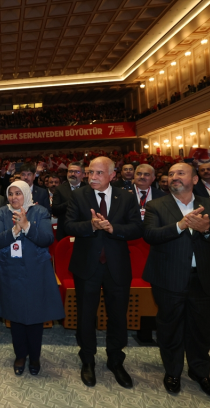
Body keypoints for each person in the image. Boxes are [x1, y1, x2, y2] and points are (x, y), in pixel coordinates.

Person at [143, 163, 210, 400]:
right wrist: (180, 225)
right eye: (171, 174)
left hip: (203, 278)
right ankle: (173, 372)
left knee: (200, 329)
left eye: (180, 173)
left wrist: (207, 230)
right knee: (169, 328)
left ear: (195, 180)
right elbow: (150, 236)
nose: (174, 177)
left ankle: (200, 373)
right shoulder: (156, 205)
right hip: (168, 278)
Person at [64, 156, 143, 389]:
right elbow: (67, 226)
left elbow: (138, 228)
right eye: (90, 173)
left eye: (99, 173)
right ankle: (87, 360)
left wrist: (112, 228)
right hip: (86, 266)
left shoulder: (127, 197)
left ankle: (116, 361)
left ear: (112, 175)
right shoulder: (79, 196)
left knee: (118, 316)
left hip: (117, 266)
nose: (93, 177)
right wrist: (90, 225)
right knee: (86, 315)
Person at [0, 180, 64, 376]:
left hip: (36, 271)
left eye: (18, 193)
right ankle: (20, 355)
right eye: (11, 193)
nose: (14, 197)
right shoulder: (2, 212)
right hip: (10, 271)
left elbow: (47, 239)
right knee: (15, 316)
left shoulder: (39, 212)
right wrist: (14, 231)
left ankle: (35, 356)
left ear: (26, 194)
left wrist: (27, 226)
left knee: (35, 316)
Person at [52, 162, 86, 240]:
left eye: (76, 172)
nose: (72, 174)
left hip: (84, 231)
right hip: (65, 231)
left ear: (83, 174)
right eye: (70, 171)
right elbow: (55, 210)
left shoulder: (88, 189)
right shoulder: (60, 189)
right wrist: (72, 201)